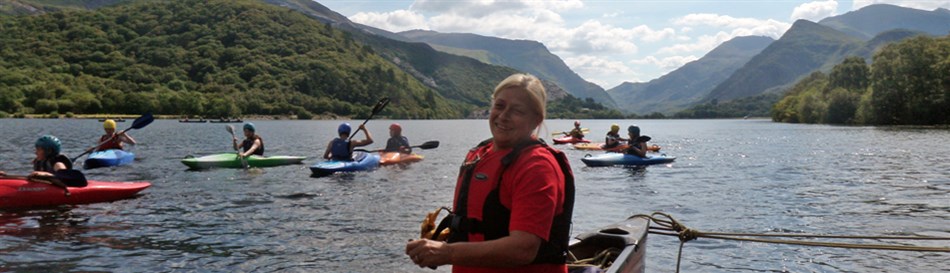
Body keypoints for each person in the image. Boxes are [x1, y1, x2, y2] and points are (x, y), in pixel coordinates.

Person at [405, 73, 575, 272]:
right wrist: (445, 239)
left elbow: (524, 249)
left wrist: (447, 252)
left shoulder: (537, 166)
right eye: (500, 106)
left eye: (517, 111)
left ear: (536, 119)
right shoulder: (480, 154)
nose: (503, 116)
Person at [0, 135, 82, 187]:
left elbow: (67, 179)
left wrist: (46, 174)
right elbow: (32, 178)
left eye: (39, 150)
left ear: (48, 151)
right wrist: (6, 176)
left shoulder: (58, 163)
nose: (35, 152)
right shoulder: (40, 161)